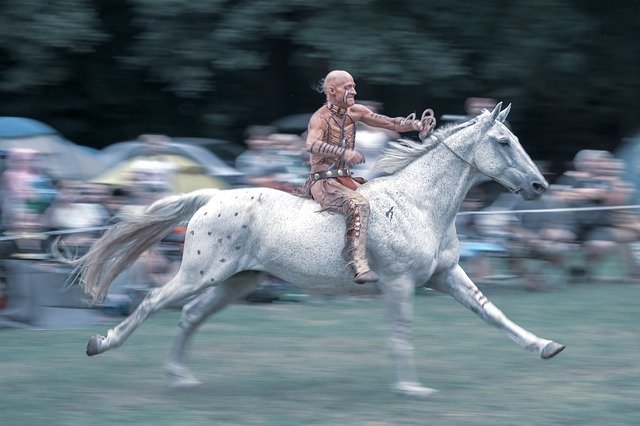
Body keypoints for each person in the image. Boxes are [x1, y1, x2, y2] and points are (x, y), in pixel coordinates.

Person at [301, 70, 434, 283]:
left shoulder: (356, 111)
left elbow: (390, 123)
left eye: (353, 86)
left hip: (347, 180)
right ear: (331, 90)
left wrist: (415, 125)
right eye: (348, 87)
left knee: (386, 199)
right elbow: (311, 144)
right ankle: (357, 263)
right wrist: (343, 153)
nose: (354, 90)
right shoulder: (320, 118)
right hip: (324, 182)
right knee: (359, 204)